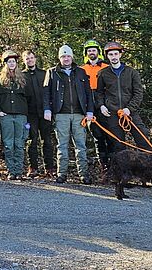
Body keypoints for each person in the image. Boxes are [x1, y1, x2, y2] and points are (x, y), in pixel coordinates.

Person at [42, 45, 95, 184]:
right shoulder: (52, 72)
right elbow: (46, 92)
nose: (66, 59)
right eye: (63, 56)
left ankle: (84, 175)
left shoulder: (81, 72)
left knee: (81, 146)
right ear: (59, 58)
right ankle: (62, 174)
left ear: (72, 57)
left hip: (79, 114)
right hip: (61, 114)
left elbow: (88, 93)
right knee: (62, 145)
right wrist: (47, 109)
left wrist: (89, 111)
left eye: (68, 56)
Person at [96, 41, 150, 151]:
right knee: (117, 144)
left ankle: (147, 164)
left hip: (130, 112)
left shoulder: (132, 72)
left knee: (143, 137)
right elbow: (99, 92)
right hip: (112, 113)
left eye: (116, 54)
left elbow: (138, 93)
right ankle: (123, 167)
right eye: (111, 55)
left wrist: (129, 109)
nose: (114, 57)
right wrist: (101, 105)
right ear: (107, 56)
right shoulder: (103, 73)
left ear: (120, 54)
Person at [0, 50, 34, 180]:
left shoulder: (24, 78)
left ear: (16, 63)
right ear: (5, 63)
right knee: (8, 144)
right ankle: (11, 171)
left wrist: (27, 115)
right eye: (9, 61)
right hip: (6, 116)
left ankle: (19, 170)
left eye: (13, 61)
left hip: (21, 116)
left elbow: (30, 98)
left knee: (20, 144)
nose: (11, 63)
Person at [80, 39, 111, 174]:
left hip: (104, 104)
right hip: (89, 106)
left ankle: (114, 168)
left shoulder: (106, 67)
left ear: (98, 52)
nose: (91, 52)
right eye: (89, 51)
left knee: (109, 136)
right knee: (97, 137)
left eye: (94, 50)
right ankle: (103, 167)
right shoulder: (81, 69)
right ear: (86, 53)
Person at [22, 49, 54, 177]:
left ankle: (50, 167)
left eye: (31, 57)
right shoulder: (22, 75)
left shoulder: (44, 73)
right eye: (27, 58)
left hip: (45, 112)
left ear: (35, 59)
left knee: (47, 140)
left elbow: (50, 92)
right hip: (30, 114)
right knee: (32, 140)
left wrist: (50, 109)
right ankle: (33, 167)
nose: (30, 60)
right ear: (24, 61)